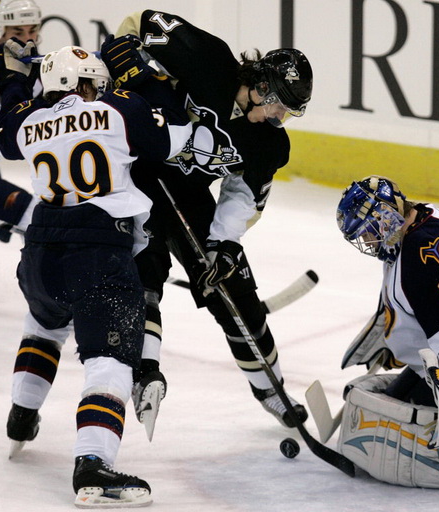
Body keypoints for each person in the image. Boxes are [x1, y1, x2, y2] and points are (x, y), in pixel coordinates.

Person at [0, 38, 191, 507]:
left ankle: (22, 415)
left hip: (40, 246)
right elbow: (168, 141)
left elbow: (4, 133)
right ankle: (92, 467)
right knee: (109, 361)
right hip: (99, 248)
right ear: (89, 84)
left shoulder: (30, 119)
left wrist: (14, 80)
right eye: (94, 83)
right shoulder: (119, 108)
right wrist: (144, 79)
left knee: (42, 326)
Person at [99, 9, 313, 429]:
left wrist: (225, 243)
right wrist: (121, 54)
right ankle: (143, 374)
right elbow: (138, 21)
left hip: (188, 194)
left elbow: (243, 193)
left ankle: (271, 389)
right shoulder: (208, 57)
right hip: (136, 175)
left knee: (234, 289)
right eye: (276, 105)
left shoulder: (269, 144)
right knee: (145, 272)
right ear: (260, 84)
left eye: (287, 112)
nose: (278, 118)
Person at [335, 175, 439, 488]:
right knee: (391, 398)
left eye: (371, 231)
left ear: (388, 214)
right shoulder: (430, 218)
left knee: (389, 417)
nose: (370, 242)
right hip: (432, 358)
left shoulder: (418, 257)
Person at [0, 0, 42, 293]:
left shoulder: (37, 70)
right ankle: (52, 301)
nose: (27, 39)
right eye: (16, 31)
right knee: (35, 216)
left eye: (33, 30)